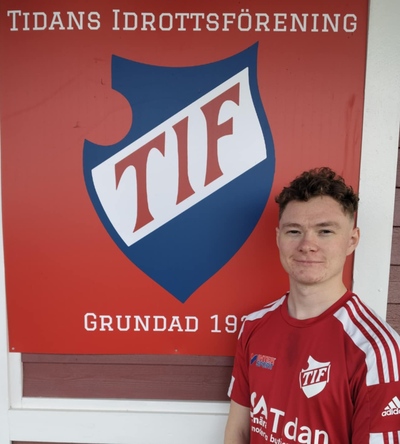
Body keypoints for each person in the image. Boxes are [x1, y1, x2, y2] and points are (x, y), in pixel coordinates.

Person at [224, 167, 400, 444]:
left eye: (325, 231)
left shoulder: (376, 348)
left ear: (352, 240)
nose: (307, 245)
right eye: (294, 231)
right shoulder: (253, 326)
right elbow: (239, 431)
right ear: (278, 238)